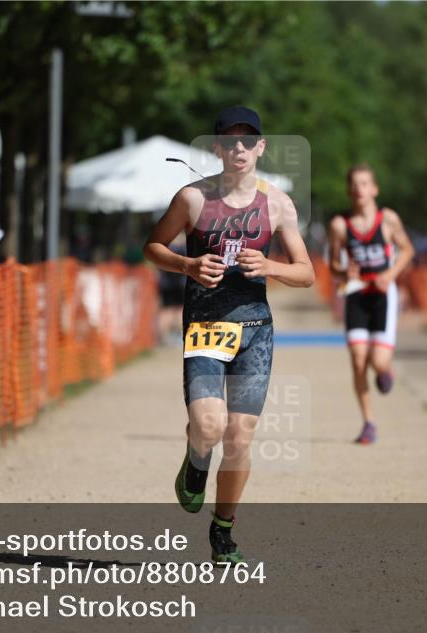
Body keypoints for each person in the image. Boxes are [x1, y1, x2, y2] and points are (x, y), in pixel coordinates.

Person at [143, 106, 314, 563]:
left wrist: (271, 266)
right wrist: (187, 264)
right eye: (229, 140)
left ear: (261, 147)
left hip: (256, 331)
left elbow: (307, 273)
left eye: (248, 139)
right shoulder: (192, 198)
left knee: (239, 437)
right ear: (217, 148)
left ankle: (223, 531)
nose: (238, 148)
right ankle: (196, 460)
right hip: (205, 326)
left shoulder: (277, 203)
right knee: (209, 426)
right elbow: (152, 247)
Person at [327, 164, 415, 444]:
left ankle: (384, 369)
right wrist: (344, 272)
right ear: (348, 190)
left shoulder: (387, 220)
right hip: (356, 294)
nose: (358, 189)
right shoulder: (339, 225)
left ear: (374, 189)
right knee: (357, 359)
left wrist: (390, 274)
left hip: (382, 295)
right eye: (354, 184)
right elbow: (332, 264)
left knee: (377, 360)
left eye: (364, 184)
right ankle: (368, 422)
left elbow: (408, 250)